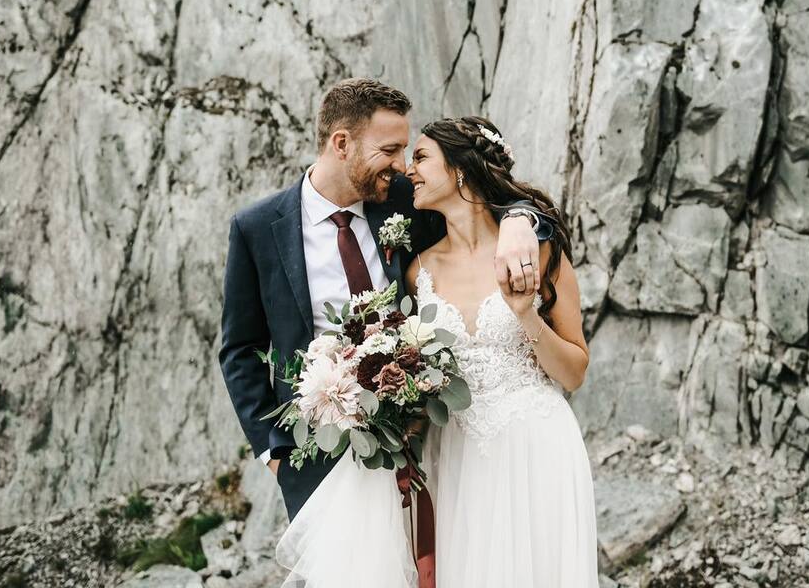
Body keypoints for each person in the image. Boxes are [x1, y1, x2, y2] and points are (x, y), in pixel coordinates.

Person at [270, 113, 598, 588]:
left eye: (421, 156)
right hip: (457, 460)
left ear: (461, 170)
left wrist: (526, 314)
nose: (408, 169)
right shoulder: (417, 271)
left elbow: (573, 374)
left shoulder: (537, 252)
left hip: (537, 447)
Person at [219, 80, 550, 524]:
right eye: (390, 149)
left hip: (421, 447)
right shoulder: (257, 228)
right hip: (319, 457)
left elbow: (488, 203)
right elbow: (240, 349)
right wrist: (275, 453)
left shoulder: (405, 200)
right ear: (342, 144)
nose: (401, 165)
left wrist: (520, 221)